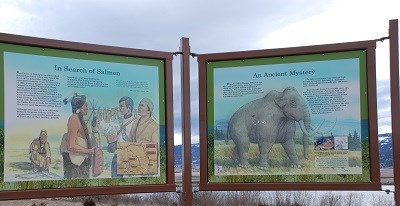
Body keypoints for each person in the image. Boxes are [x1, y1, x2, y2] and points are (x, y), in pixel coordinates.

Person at [61, 93, 96, 179]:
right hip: (76, 164)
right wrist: (89, 151)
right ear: (79, 107)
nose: (87, 108)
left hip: (81, 162)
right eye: (85, 105)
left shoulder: (79, 119)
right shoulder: (74, 119)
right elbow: (71, 145)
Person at [104, 96, 135, 178]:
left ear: (129, 108)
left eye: (122, 106)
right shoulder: (118, 121)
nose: (119, 108)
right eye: (119, 106)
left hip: (129, 158)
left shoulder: (136, 123)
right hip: (116, 158)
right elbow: (106, 129)